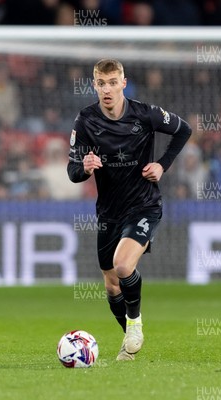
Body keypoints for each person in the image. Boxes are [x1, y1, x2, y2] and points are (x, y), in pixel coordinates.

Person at [67, 59, 192, 361]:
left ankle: (135, 325)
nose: (106, 89)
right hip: (109, 212)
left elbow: (183, 130)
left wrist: (162, 165)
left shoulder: (145, 114)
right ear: (94, 85)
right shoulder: (85, 120)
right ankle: (129, 339)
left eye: (112, 82)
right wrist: (84, 168)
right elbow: (72, 171)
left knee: (123, 266)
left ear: (124, 83)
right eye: (101, 83)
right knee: (111, 285)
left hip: (144, 205)